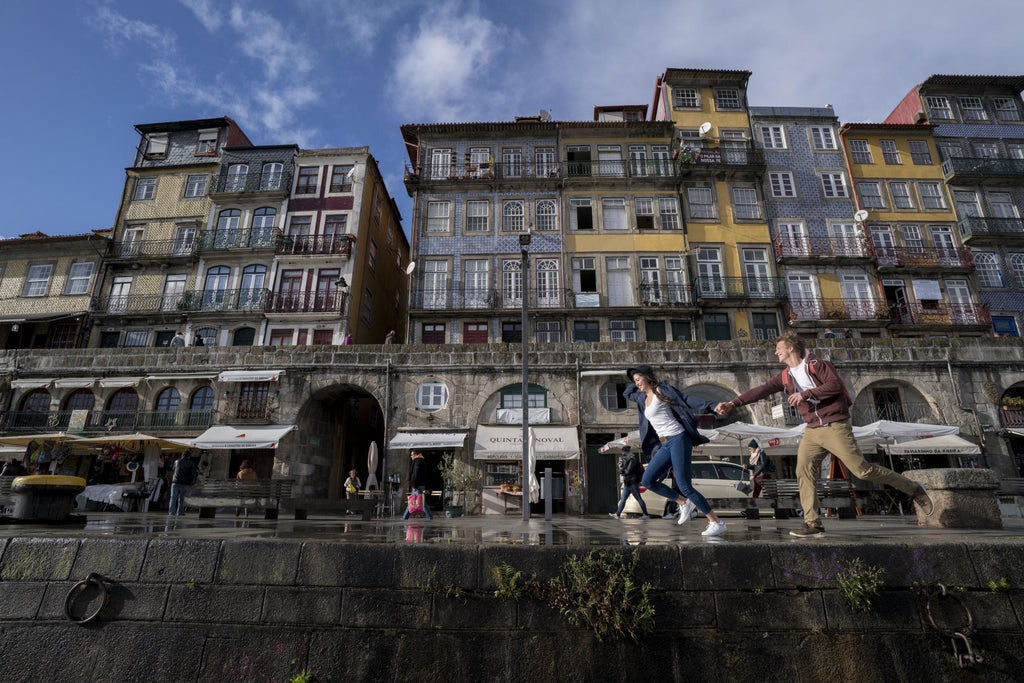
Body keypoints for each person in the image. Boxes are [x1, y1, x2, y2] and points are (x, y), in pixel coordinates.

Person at [716, 331, 934, 538]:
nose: (776, 352)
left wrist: (805, 394)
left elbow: (835, 385)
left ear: (791, 348)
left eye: (779, 348)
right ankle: (813, 524)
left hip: (834, 425)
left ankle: (914, 488)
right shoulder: (785, 376)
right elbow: (761, 390)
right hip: (812, 430)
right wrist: (733, 403)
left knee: (862, 470)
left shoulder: (816, 365)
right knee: (803, 472)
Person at [624, 364, 727, 537]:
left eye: (638, 379)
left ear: (648, 377)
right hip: (664, 444)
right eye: (634, 381)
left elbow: (686, 399)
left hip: (679, 439)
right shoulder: (643, 398)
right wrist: (635, 379)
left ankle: (716, 522)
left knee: (685, 486)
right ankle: (682, 503)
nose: (636, 384)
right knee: (648, 480)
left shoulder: (661, 390)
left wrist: (713, 404)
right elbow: (626, 393)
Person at [610, 444, 648, 520]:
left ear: (625, 451)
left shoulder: (632, 459)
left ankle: (646, 514)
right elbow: (626, 470)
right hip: (627, 483)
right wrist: (621, 466)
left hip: (633, 482)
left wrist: (621, 470)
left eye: (623, 451)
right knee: (623, 499)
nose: (622, 453)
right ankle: (617, 514)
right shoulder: (627, 459)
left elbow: (628, 471)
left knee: (639, 499)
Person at [401, 451, 433, 520]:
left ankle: (429, 517)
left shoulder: (417, 462)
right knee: (418, 500)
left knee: (419, 501)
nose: (411, 456)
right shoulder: (422, 461)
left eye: (412, 455)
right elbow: (426, 475)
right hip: (421, 485)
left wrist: (415, 485)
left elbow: (416, 474)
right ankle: (405, 516)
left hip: (417, 485)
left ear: (415, 455)